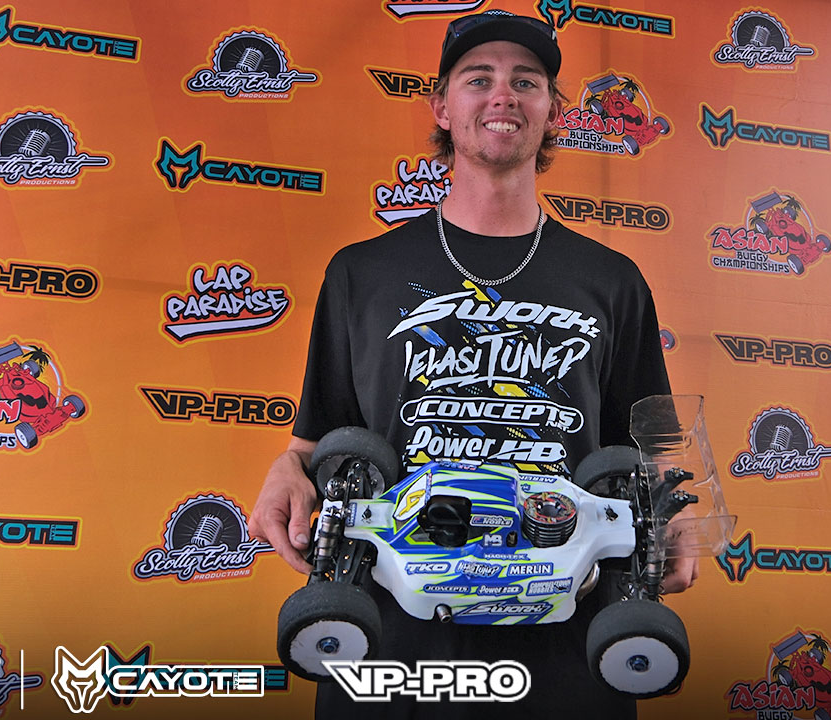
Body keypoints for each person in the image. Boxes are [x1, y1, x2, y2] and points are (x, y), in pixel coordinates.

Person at [249, 10, 695, 718]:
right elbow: (318, 441)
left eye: (527, 81)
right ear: (441, 106)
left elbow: (652, 448)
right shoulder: (362, 273)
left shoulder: (612, 281)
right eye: (478, 78)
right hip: (394, 640)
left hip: (566, 638)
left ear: (553, 111)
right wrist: (285, 469)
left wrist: (677, 523)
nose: (503, 95)